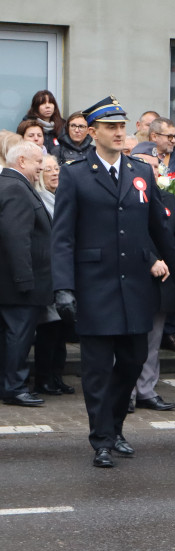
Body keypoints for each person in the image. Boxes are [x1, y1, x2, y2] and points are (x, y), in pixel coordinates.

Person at [50, 96, 175, 468]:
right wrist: (64, 286)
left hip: (135, 288)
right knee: (95, 369)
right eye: (110, 127)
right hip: (95, 286)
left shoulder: (139, 172)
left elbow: (158, 227)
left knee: (132, 361)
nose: (118, 132)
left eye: (122, 126)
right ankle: (102, 440)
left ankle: (116, 427)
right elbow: (63, 237)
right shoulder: (76, 174)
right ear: (92, 132)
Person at [127, 142, 175, 412]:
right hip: (132, 279)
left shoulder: (169, 198)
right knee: (129, 342)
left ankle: (146, 390)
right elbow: (127, 237)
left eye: (155, 166)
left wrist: (169, 262)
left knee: (153, 341)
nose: (150, 171)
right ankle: (124, 392)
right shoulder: (124, 197)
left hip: (163, 281)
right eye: (145, 165)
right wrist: (150, 260)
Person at [0, 141, 50, 407]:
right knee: (18, 336)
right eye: (37, 162)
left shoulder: (9, 185)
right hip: (19, 284)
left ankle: (9, 384)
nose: (41, 167)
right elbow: (17, 238)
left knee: (10, 336)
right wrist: (24, 279)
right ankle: (15, 387)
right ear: (21, 162)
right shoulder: (17, 188)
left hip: (11, 282)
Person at [31, 153, 74, 397]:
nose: (55, 173)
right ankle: (44, 379)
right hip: (47, 273)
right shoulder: (40, 199)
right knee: (49, 330)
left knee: (60, 330)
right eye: (48, 170)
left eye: (56, 168)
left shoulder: (61, 198)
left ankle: (56, 376)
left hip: (62, 274)